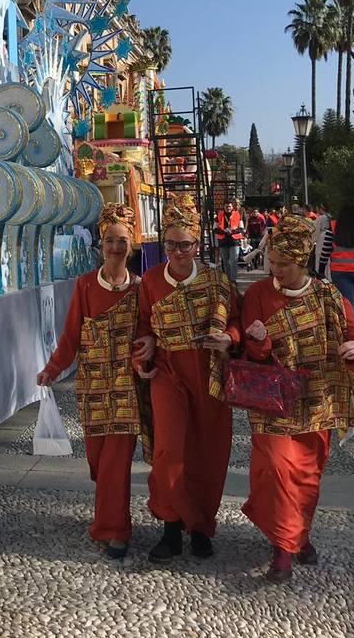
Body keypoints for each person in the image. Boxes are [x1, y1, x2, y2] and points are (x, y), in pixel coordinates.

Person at [239, 214, 354, 582]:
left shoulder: (330, 296)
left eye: (285, 265)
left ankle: (299, 534)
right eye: (273, 263)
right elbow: (251, 356)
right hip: (273, 404)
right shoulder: (256, 295)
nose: (276, 271)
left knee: (307, 478)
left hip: (318, 403)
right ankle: (284, 550)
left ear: (303, 262)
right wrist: (258, 340)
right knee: (280, 472)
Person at [38, 204, 153, 559]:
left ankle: (115, 530)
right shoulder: (86, 285)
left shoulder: (141, 288)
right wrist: (52, 369)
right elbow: (72, 336)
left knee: (116, 464)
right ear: (100, 245)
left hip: (125, 390)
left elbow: (149, 332)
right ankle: (107, 516)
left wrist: (145, 350)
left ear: (131, 246)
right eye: (109, 241)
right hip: (92, 389)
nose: (116, 248)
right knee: (97, 462)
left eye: (122, 241)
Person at [137, 194, 241, 563]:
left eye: (185, 244)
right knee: (168, 450)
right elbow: (143, 324)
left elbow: (236, 320)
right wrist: (147, 341)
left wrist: (231, 338)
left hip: (210, 372)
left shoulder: (217, 281)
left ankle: (200, 526)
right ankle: (169, 527)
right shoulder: (150, 282)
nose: (178, 252)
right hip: (169, 372)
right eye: (171, 245)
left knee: (208, 452)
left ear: (197, 244)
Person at [213, 200, 244, 284]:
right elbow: (215, 229)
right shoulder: (218, 216)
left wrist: (232, 231)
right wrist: (224, 231)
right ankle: (227, 279)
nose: (228, 208)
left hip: (234, 241)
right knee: (225, 261)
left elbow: (241, 228)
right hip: (223, 241)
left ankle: (233, 280)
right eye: (226, 206)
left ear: (232, 207)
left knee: (234, 260)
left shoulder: (237, 215)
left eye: (229, 206)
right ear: (224, 207)